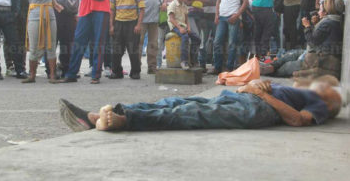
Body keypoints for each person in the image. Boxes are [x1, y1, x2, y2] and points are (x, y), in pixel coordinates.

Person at [59, 78, 342, 132]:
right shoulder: (302, 90)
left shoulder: (321, 105)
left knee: (190, 113)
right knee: (173, 101)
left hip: (258, 109)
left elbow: (297, 120)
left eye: (327, 86)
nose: (320, 85)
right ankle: (100, 116)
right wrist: (259, 85)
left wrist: (262, 94)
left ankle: (124, 120)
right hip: (244, 97)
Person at [60, 0, 127, 84]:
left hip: (101, 9)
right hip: (85, 9)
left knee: (98, 42)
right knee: (78, 41)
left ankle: (96, 74)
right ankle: (71, 73)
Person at [22, 0, 64, 83]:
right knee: (34, 46)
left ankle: (52, 76)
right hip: (35, 15)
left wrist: (55, 4)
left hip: (50, 14)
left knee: (51, 44)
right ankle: (32, 75)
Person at [210, 0, 248, 75]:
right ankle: (217, 67)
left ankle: (229, 68)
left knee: (232, 43)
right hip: (222, 16)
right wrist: (216, 15)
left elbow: (245, 2)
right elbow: (218, 0)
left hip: (233, 16)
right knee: (217, 42)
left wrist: (237, 15)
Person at [109, 0, 145, 80]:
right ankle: (116, 72)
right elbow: (112, 10)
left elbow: (142, 9)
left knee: (133, 49)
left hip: (132, 24)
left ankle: (135, 72)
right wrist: (111, 26)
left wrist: (138, 25)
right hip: (118, 23)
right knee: (116, 50)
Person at [133, 0, 167, 74]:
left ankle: (152, 67)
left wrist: (164, 3)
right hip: (141, 18)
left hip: (155, 17)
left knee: (153, 43)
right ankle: (136, 67)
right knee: (139, 43)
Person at [167, 0, 201, 70]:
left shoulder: (184, 6)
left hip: (183, 26)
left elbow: (186, 19)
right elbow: (171, 19)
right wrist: (180, 28)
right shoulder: (172, 5)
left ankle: (193, 60)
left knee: (197, 39)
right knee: (185, 37)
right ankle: (184, 61)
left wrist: (188, 27)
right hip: (175, 26)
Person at [182, 0, 207, 66]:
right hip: (188, 15)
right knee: (195, 36)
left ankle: (194, 61)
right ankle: (190, 60)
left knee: (196, 39)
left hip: (199, 15)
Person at [199, 0, 220, 72]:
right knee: (203, 41)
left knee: (217, 42)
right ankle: (201, 64)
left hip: (217, 17)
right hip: (205, 17)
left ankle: (216, 65)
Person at [157, 0, 176, 69]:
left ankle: (171, 62)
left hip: (173, 17)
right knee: (159, 40)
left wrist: (173, 1)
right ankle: (158, 63)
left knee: (172, 38)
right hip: (162, 16)